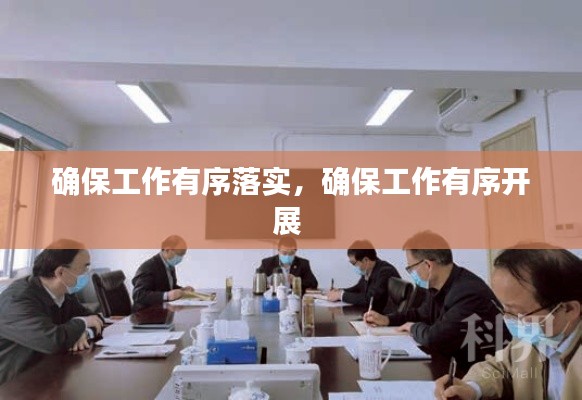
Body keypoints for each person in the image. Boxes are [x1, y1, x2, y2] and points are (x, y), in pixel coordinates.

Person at [435, 244, 582, 400]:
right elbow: (501, 367)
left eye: (518, 312)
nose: (510, 319)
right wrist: (472, 388)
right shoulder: (536, 338)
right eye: (504, 309)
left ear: (569, 309)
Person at [364, 230, 508, 367]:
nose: (411, 273)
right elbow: (421, 314)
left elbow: (435, 338)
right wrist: (387, 319)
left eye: (411, 268)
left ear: (428, 265)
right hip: (455, 362)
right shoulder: (437, 286)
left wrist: (413, 327)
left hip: (485, 373)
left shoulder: (468, 293)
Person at [0, 239, 104, 385]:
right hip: (12, 385)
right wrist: (82, 324)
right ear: (61, 272)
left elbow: (95, 318)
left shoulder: (64, 293)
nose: (88, 273)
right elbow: (52, 341)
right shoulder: (16, 300)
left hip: (46, 374)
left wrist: (84, 332)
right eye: (84, 268)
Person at [326, 240, 401, 313]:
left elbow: (370, 299)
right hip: (372, 313)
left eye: (354, 263)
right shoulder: (368, 269)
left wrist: (341, 295)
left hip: (386, 316)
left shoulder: (385, 272)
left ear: (366, 260)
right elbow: (358, 288)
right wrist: (340, 291)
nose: (354, 266)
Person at [132, 235, 194, 311]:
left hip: (162, 310)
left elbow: (167, 287)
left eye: (182, 255)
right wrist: (167, 296)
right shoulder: (149, 267)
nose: (180, 258)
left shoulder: (169, 265)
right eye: (179, 254)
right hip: (145, 313)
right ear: (167, 250)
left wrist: (182, 290)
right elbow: (138, 295)